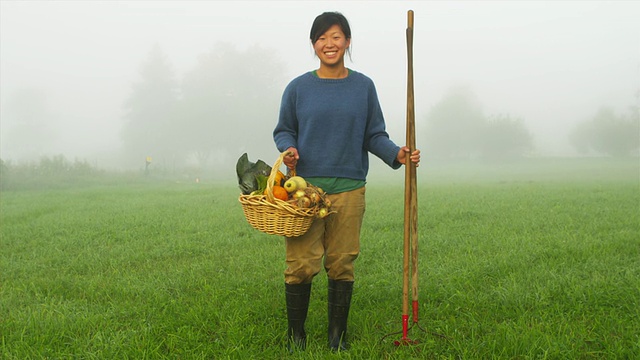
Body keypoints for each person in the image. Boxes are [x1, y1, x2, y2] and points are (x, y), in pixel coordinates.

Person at [273, 11, 421, 352]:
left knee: (342, 261)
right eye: (322, 38)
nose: (329, 43)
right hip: (304, 192)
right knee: (300, 264)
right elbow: (284, 130)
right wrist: (289, 148)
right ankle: (296, 335)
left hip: (350, 188)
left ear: (348, 42)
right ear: (313, 45)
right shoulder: (298, 88)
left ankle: (336, 337)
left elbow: (373, 134)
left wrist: (396, 154)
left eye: (336, 36)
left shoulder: (363, 86)